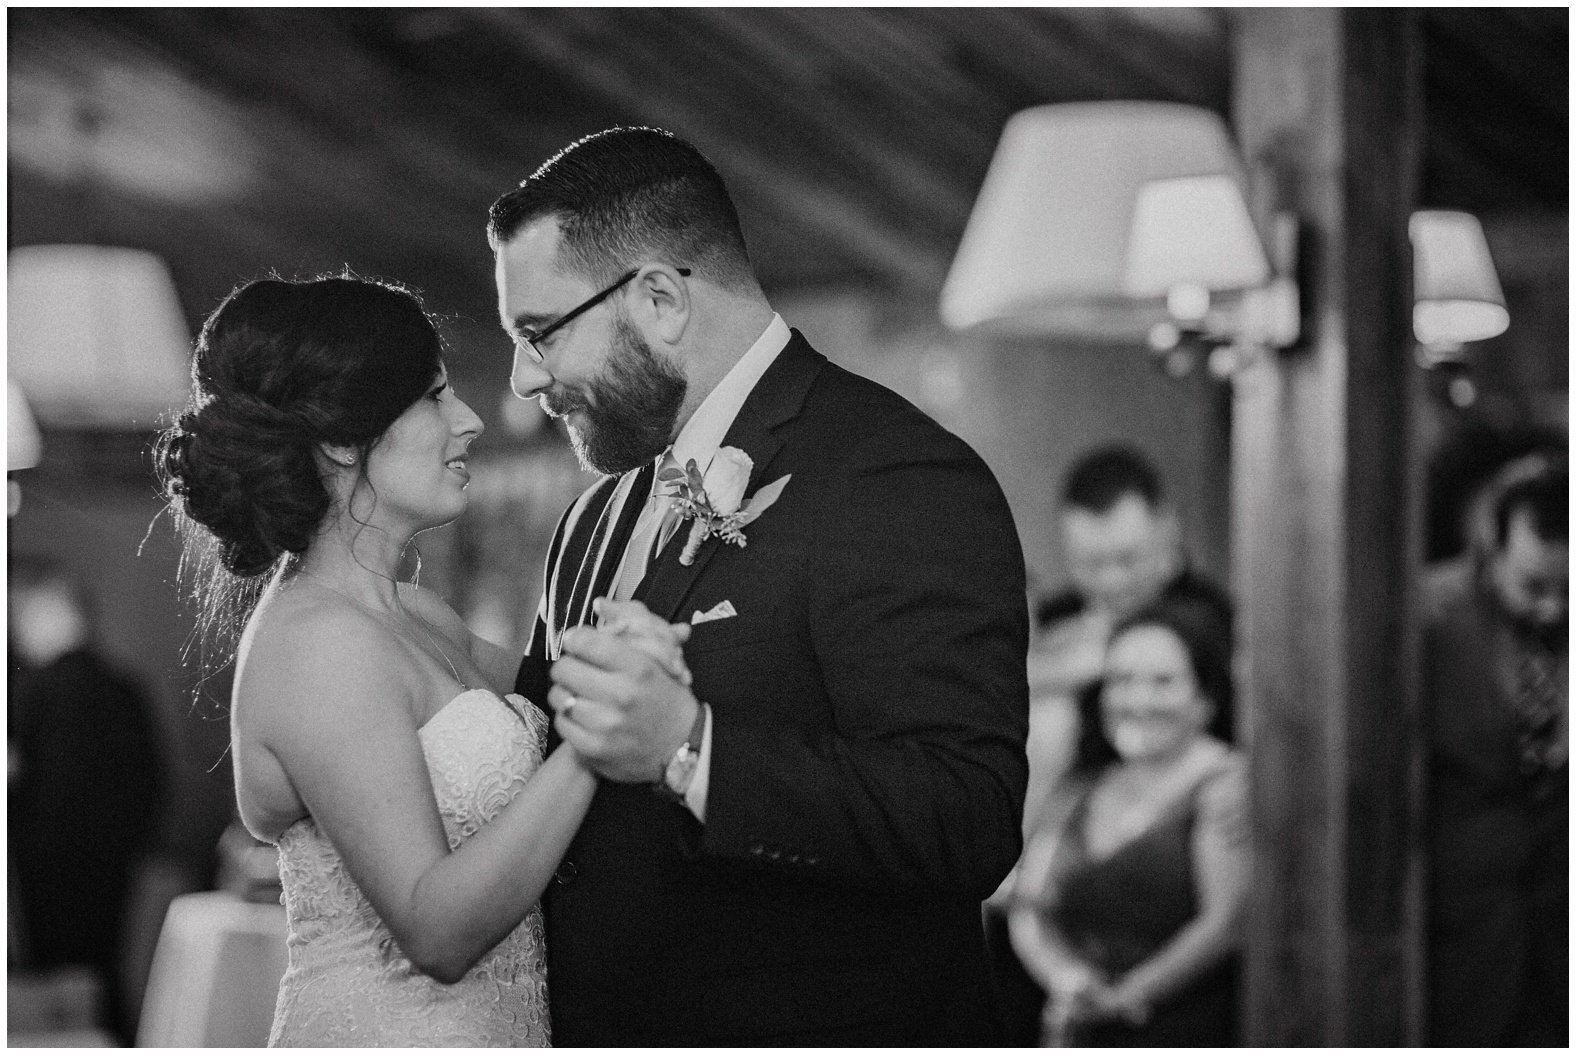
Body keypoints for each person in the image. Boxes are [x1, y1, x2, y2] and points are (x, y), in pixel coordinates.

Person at [492, 126, 1030, 1045]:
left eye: (539, 332)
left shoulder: (894, 475)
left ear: (660, 298)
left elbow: (964, 816)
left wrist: (692, 747)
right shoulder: (591, 518)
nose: (524, 377)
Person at [154, 275, 688, 1046]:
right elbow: (435, 930)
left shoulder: (420, 615)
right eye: (435, 396)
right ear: (341, 439)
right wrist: (597, 742)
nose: (469, 420)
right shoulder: (316, 642)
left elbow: (561, 684)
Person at [987, 444, 1233, 1043]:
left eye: (1128, 560)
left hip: (1169, 861)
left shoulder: (1209, 618)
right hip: (1055, 852)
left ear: (1167, 528)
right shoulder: (1064, 613)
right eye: (1090, 565)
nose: (1111, 582)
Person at [1009, 598, 1247, 1046]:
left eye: (1162, 681)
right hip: (1082, 1025)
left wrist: (1125, 998)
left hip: (1187, 1027)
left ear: (1205, 696)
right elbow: (1030, 905)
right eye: (1121, 680)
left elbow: (1227, 922)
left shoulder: (1226, 784)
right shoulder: (1082, 788)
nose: (1138, 700)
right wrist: (1068, 981)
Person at [1424, 451, 1567, 1046]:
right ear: (1493, 546)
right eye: (1534, 585)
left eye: (1571, 589)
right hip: (1464, 920)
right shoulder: (1429, 618)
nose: (1553, 607)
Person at [8, 558, 165, 1043]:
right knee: (105, 973)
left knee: (55, 987)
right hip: (113, 864)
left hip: (45, 867)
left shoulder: (32, 692)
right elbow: (153, 785)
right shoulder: (124, 690)